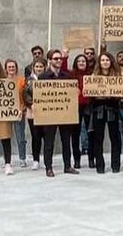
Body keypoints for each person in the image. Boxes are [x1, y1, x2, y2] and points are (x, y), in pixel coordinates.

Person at [40, 48, 76, 177]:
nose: (59, 61)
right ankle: (48, 167)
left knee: (66, 141)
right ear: (49, 61)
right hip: (49, 114)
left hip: (64, 114)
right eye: (56, 59)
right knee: (49, 142)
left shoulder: (66, 76)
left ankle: (67, 166)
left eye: (60, 58)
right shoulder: (43, 77)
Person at [89, 52, 122, 173]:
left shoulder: (117, 76)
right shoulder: (94, 76)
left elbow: (122, 92)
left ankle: (116, 165)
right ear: (99, 62)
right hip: (98, 109)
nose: (105, 62)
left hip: (112, 109)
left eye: (107, 60)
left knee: (115, 138)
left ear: (111, 61)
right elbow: (89, 93)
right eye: (103, 60)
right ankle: (100, 166)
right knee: (98, 138)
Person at [22, 58, 46, 171]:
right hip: (33, 111)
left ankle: (47, 159)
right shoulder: (29, 80)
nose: (39, 69)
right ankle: (36, 160)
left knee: (47, 137)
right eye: (37, 67)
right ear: (33, 68)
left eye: (41, 66)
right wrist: (30, 104)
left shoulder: (48, 79)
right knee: (35, 136)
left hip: (47, 111)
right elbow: (25, 94)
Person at [69, 53, 91, 169]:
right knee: (75, 134)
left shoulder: (91, 75)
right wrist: (65, 56)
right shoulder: (71, 75)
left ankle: (91, 159)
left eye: (84, 61)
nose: (82, 63)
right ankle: (77, 160)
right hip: (75, 107)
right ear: (76, 63)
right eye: (79, 61)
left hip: (88, 106)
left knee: (91, 132)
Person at [4, 58, 28, 168]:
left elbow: (25, 96)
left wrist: (22, 109)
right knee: (5, 137)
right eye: (9, 67)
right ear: (6, 69)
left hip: (19, 112)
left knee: (20, 136)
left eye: (13, 67)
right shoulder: (2, 81)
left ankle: (22, 158)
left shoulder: (22, 80)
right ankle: (7, 161)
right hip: (5, 114)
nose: (11, 69)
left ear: (16, 68)